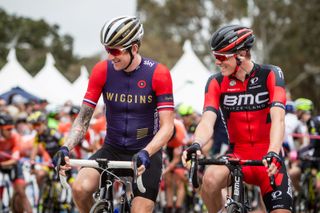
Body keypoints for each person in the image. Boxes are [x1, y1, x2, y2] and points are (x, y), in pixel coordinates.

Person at [53, 16, 174, 213]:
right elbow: (83, 119)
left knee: (140, 210)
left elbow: (167, 126)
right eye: (107, 50)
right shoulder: (102, 70)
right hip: (112, 149)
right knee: (80, 189)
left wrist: (147, 152)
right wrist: (66, 147)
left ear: (134, 48)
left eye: (116, 50)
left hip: (145, 152)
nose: (110, 56)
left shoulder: (158, 73)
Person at [182, 25, 293, 212]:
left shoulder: (271, 74)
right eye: (215, 56)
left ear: (241, 54)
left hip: (268, 159)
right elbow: (208, 120)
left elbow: (278, 119)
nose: (217, 62)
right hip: (237, 156)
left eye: (221, 57)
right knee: (209, 180)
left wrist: (274, 152)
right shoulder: (216, 82)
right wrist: (197, 143)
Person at [0, 113, 33, 213]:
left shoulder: (15, 137)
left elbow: (14, 159)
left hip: (12, 164)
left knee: (21, 191)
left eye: (12, 128)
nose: (11, 131)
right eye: (8, 129)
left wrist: (2, 164)